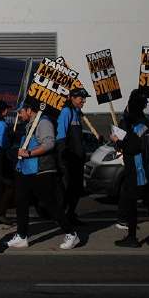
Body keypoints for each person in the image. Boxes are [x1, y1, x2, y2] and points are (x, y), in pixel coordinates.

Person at [7, 102, 78, 250]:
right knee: (21, 201)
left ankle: (71, 233)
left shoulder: (43, 122)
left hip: (42, 170)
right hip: (27, 170)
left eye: (21, 112)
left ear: (29, 110)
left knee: (49, 203)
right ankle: (21, 235)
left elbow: (49, 144)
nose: (18, 115)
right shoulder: (30, 124)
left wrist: (29, 153)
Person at [112, 88, 149, 248]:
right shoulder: (144, 122)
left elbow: (132, 147)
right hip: (144, 166)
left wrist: (117, 141)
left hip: (137, 168)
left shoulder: (133, 123)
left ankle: (132, 237)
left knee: (135, 202)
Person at [57, 87, 89, 227]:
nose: (83, 101)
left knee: (77, 190)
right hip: (69, 159)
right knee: (67, 189)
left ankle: (71, 215)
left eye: (84, 98)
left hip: (78, 158)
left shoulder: (77, 112)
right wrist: (63, 156)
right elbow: (61, 135)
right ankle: (62, 217)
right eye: (81, 98)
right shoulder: (66, 111)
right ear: (72, 98)